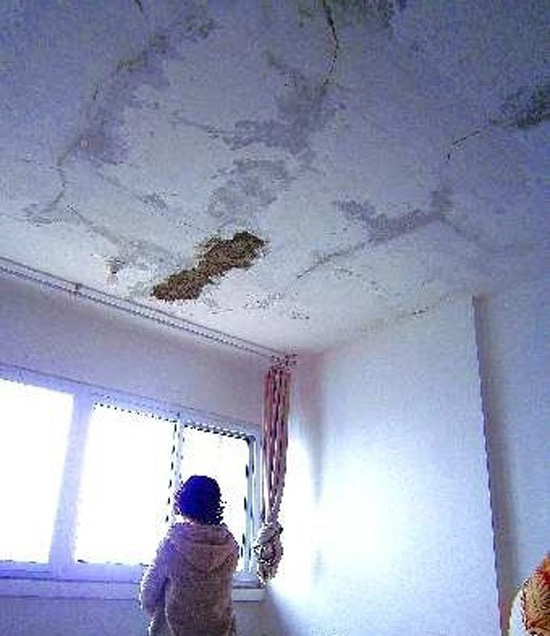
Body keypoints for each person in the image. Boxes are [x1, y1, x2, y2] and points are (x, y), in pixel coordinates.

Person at [140, 476, 239, 636]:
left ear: (183, 502)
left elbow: (148, 594)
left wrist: (159, 615)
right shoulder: (230, 546)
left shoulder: (172, 543)